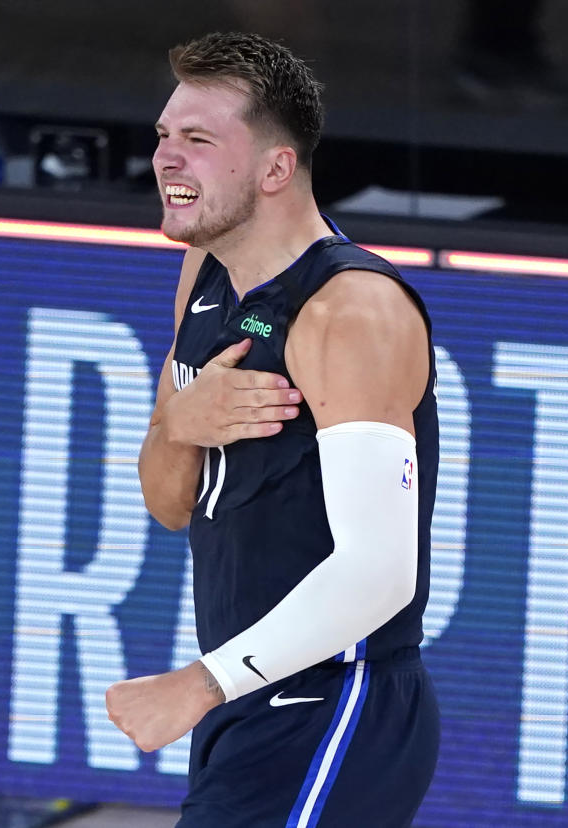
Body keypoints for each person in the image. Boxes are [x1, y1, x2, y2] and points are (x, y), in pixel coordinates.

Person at [105, 32, 440, 827]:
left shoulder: (352, 312)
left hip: (336, 705)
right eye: (162, 137)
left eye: (197, 141)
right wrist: (179, 427)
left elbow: (382, 575)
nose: (165, 160)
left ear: (275, 169)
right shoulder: (205, 272)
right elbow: (169, 503)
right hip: (250, 695)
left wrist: (199, 683)